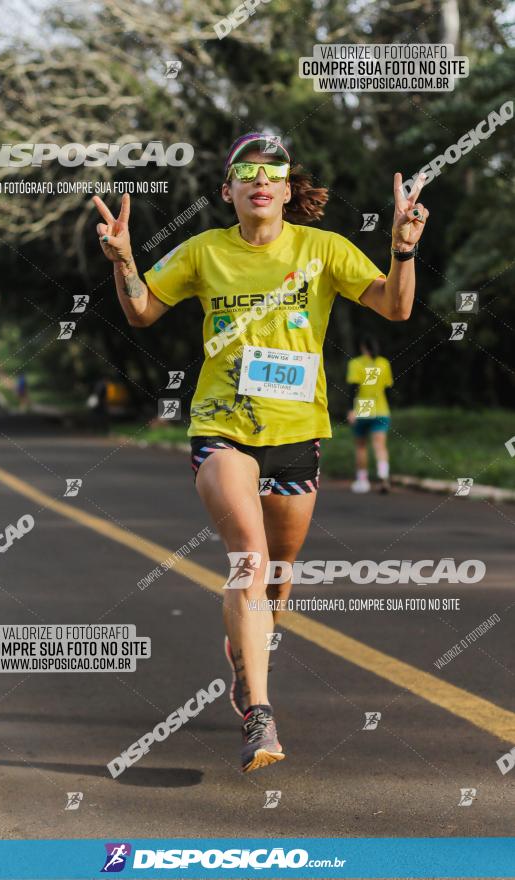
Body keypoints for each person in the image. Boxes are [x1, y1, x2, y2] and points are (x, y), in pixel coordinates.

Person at [93, 132, 429, 772]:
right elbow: (140, 312)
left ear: (284, 186)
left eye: (271, 171)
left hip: (298, 434)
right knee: (249, 557)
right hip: (222, 426)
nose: (259, 180)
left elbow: (395, 306)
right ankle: (260, 712)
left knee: (279, 573)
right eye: (245, 172)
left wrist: (403, 250)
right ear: (229, 191)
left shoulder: (323, 249)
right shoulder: (204, 251)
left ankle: (246, 656)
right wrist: (123, 260)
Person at [346, 336, 394, 494]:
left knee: (361, 446)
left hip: (363, 408)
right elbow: (388, 388)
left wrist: (350, 409)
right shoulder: (384, 363)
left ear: (362, 347)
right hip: (381, 408)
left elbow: (353, 387)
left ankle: (362, 481)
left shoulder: (355, 363)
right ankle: (383, 475)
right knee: (380, 446)